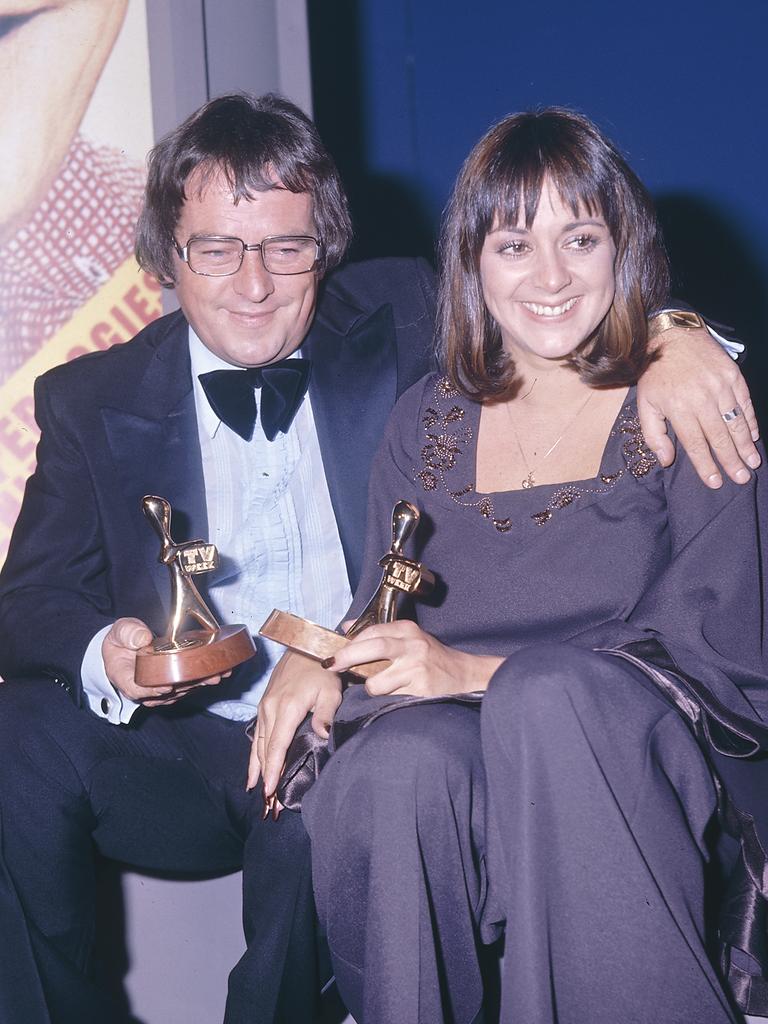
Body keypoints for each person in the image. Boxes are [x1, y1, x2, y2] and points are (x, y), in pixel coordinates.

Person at [0, 91, 757, 1023]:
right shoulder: (89, 394)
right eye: (218, 250)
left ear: (327, 248)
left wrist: (679, 338)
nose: (254, 284)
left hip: (347, 718)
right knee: (16, 739)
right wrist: (109, 651)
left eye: (287, 247)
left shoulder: (402, 311)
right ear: (167, 254)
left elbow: (549, 290)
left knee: (361, 800)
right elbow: (26, 600)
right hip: (185, 747)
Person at [283, 109, 768, 1024]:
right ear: (471, 263)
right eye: (514, 244)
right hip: (460, 747)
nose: (550, 277)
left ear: (622, 249)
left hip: (646, 740)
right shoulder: (425, 420)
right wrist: (313, 653)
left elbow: (723, 656)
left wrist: (474, 672)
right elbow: (379, 616)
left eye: (580, 238)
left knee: (549, 697)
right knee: (399, 767)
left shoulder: (689, 399)